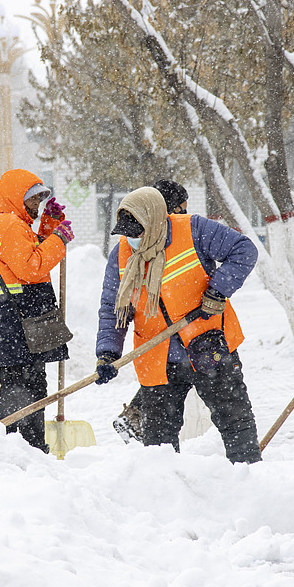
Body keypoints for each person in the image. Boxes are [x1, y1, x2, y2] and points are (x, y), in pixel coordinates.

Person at [94, 186, 261, 462]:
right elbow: (113, 310)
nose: (132, 240)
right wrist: (107, 354)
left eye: (137, 232)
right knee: (158, 442)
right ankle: (166, 497)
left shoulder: (193, 229)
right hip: (156, 358)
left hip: (208, 346)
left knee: (235, 421)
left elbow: (243, 251)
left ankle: (250, 480)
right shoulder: (121, 255)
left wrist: (217, 291)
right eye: (127, 234)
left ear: (154, 220)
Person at [0, 169, 74, 452]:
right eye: (34, 199)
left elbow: (29, 251)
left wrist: (49, 226)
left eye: (40, 199)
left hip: (15, 317)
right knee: (21, 385)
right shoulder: (9, 225)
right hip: (14, 318)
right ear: (16, 199)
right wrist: (58, 240)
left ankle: (27, 444)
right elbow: (31, 267)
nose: (38, 205)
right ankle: (12, 444)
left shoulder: (14, 225)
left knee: (30, 383)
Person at [113, 178, 189, 444]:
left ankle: (136, 414)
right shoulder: (136, 247)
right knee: (168, 386)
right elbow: (113, 306)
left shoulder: (187, 236)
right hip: (161, 337)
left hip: (190, 333)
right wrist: (108, 353)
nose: (184, 214)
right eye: (180, 208)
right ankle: (136, 414)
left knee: (173, 386)